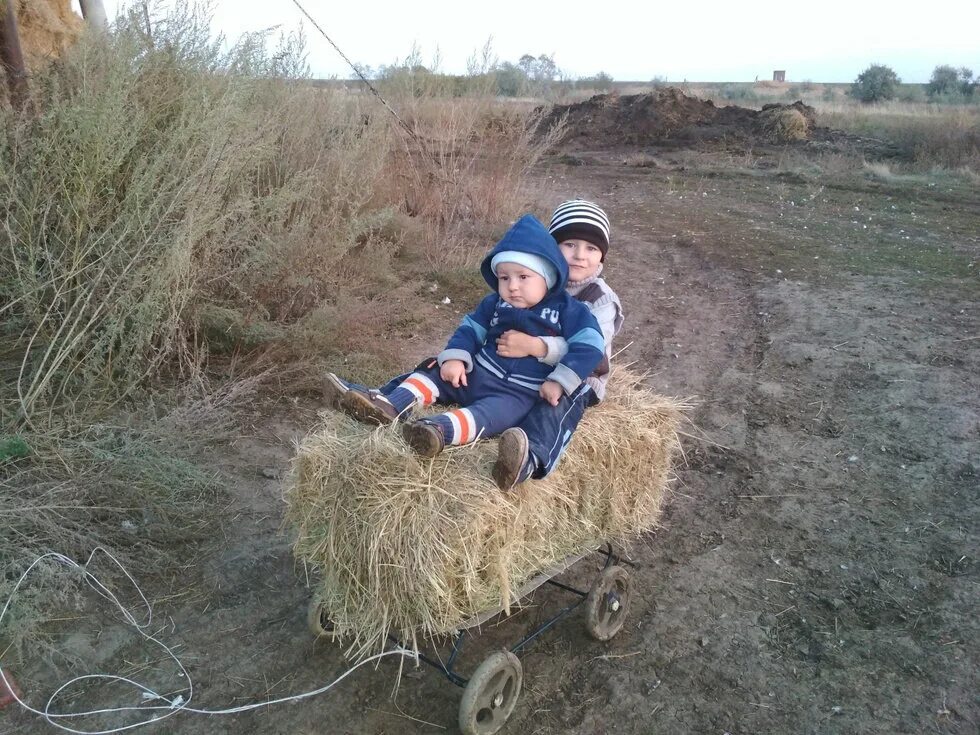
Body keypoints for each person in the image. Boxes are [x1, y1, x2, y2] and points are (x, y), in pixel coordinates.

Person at [325, 213, 605, 461]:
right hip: (477, 374)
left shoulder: (569, 310)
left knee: (487, 417)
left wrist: (560, 380)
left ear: (548, 277)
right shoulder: (494, 303)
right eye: (504, 278)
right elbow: (470, 329)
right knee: (434, 371)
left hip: (516, 393)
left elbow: (591, 345)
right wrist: (456, 358)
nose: (512, 287)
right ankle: (390, 403)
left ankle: (437, 431)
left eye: (523, 277)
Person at [490, 199, 624, 490]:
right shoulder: (536, 280)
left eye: (591, 248)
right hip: (528, 367)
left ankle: (529, 459)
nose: (579, 255)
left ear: (602, 257)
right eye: (570, 244)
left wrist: (536, 347)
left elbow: (597, 356)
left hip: (580, 375)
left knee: (555, 404)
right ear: (551, 248)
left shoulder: (600, 298)